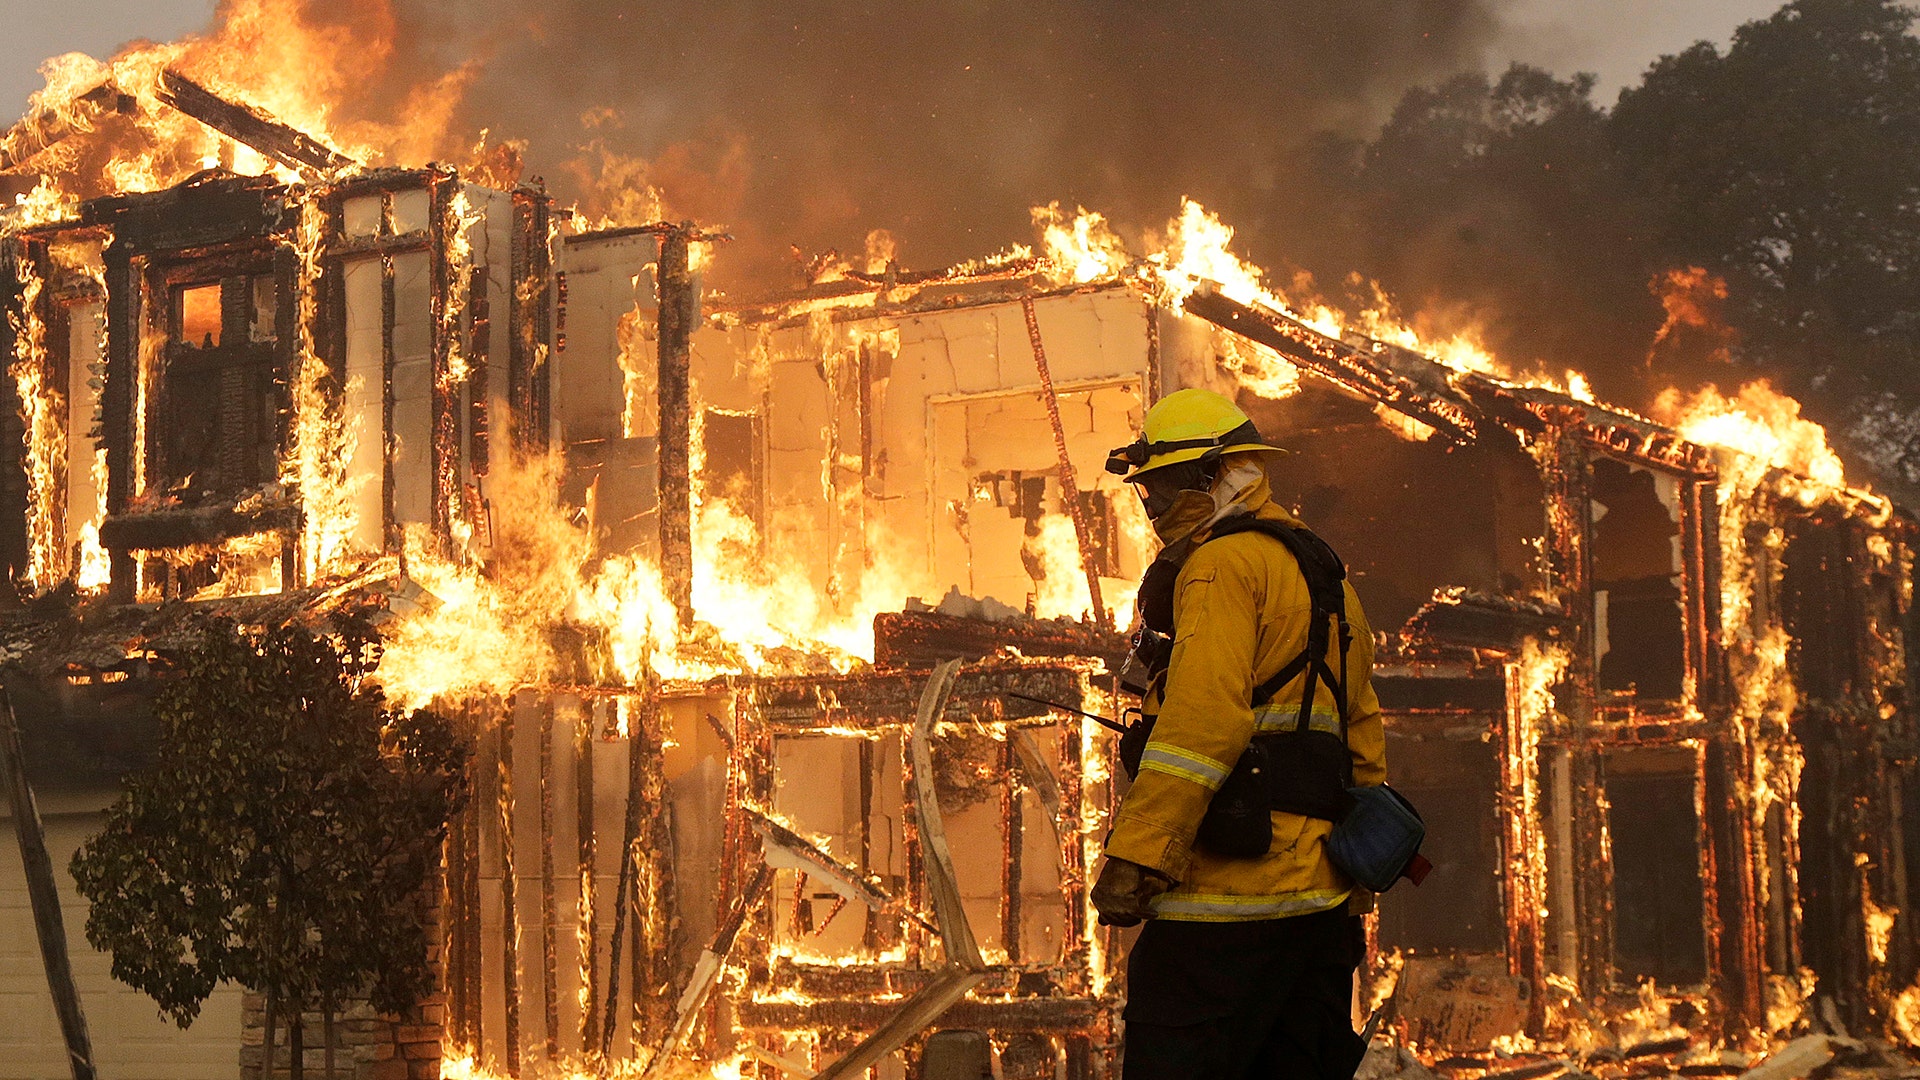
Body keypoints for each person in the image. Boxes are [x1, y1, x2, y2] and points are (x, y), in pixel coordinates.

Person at [1092, 387, 1386, 1079]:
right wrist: (1364, 874)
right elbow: (1361, 723)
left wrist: (1138, 855)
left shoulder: (1221, 566)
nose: (1154, 507)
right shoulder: (1323, 571)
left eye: (1161, 485)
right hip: (1317, 909)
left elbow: (1201, 726)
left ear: (1212, 474)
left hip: (1223, 909)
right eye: (1146, 492)